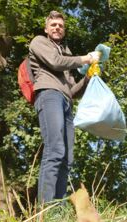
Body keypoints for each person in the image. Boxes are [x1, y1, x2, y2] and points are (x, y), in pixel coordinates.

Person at [29, 10, 99, 203]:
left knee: (67, 158)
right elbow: (55, 62)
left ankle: (56, 209)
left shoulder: (66, 53)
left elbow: (72, 91)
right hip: (49, 95)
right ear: (46, 29)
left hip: (66, 103)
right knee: (55, 150)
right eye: (53, 25)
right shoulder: (39, 42)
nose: (57, 27)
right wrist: (85, 58)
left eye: (60, 25)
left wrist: (87, 78)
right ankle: (44, 209)